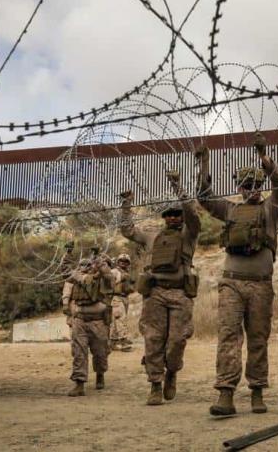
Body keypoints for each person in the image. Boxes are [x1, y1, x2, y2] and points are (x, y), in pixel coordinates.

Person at [195, 132, 278, 416]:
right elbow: (204, 198)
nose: (250, 188)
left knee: (258, 339)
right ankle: (226, 393)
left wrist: (265, 159)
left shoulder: (270, 209)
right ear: (238, 186)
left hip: (261, 286)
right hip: (232, 285)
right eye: (245, 185)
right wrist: (204, 163)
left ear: (260, 185)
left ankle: (257, 391)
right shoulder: (230, 209)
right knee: (228, 336)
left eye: (254, 184)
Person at [120, 170, 201, 405]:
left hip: (180, 294)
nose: (173, 218)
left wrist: (177, 186)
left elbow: (193, 215)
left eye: (177, 214)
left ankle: (172, 373)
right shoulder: (152, 237)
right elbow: (128, 231)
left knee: (176, 340)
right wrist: (126, 205)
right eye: (169, 215)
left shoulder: (189, 235)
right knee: (153, 339)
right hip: (155, 294)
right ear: (164, 217)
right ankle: (155, 383)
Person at [62, 257, 115, 397]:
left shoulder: (102, 278)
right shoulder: (76, 277)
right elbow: (66, 271)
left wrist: (101, 262)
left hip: (98, 321)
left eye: (88, 265)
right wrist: (67, 255)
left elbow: (109, 277)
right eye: (82, 265)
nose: (85, 267)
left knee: (100, 353)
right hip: (80, 320)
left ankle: (100, 374)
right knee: (79, 352)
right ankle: (79, 383)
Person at [109, 253, 135, 352]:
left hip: (125, 298)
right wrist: (120, 279)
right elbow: (110, 284)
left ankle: (113, 342)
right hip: (116, 298)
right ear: (118, 262)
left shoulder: (127, 272)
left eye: (125, 262)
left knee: (117, 321)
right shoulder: (114, 272)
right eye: (121, 261)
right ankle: (123, 342)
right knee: (120, 319)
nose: (123, 263)